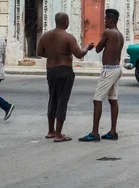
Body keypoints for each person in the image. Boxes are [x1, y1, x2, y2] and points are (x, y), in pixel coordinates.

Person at [37, 12, 95, 142]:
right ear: (66, 22)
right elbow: (79, 54)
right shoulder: (68, 37)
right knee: (62, 101)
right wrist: (87, 47)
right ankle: (58, 134)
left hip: (51, 70)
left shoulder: (45, 36)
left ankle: (51, 131)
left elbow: (39, 52)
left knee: (52, 99)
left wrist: (53, 55)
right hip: (64, 70)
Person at [79, 9, 124, 142]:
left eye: (105, 19)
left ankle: (94, 133)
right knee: (112, 99)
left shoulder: (109, 32)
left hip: (109, 70)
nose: (104, 21)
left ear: (111, 20)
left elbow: (98, 48)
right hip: (116, 68)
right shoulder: (119, 34)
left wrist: (90, 46)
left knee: (97, 99)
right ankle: (113, 131)